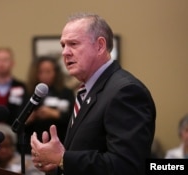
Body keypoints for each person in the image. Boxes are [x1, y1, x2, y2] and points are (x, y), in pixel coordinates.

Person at [30, 13, 156, 175]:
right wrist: (56, 166)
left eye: (73, 44)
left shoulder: (125, 92)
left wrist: (63, 158)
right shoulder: (86, 90)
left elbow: (127, 166)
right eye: (63, 45)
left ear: (100, 46)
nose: (65, 53)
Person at [25, 56, 75, 144]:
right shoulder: (29, 92)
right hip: (34, 142)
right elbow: (19, 119)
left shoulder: (66, 93)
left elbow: (73, 118)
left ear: (56, 73)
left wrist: (54, 114)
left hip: (61, 141)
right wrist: (32, 116)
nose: (45, 75)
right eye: (40, 72)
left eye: (48, 72)